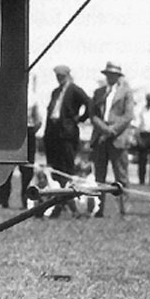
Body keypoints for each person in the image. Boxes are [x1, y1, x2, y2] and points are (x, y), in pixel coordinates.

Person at [43, 65, 90, 217]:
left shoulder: (75, 90)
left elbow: (89, 103)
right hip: (54, 133)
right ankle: (62, 202)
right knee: (56, 169)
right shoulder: (55, 92)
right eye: (57, 76)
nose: (59, 78)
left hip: (67, 133)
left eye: (62, 76)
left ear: (68, 75)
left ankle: (66, 204)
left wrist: (79, 119)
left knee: (67, 169)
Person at [90, 61, 135, 217]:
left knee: (121, 176)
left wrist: (113, 130)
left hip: (118, 138)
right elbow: (93, 115)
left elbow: (128, 115)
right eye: (108, 74)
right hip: (100, 138)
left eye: (114, 75)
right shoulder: (98, 92)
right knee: (99, 176)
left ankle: (125, 210)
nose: (111, 77)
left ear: (118, 76)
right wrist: (103, 128)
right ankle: (98, 209)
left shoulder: (126, 92)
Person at [0, 97, 42, 208]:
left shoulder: (33, 97)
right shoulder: (9, 95)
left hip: (28, 132)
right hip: (10, 132)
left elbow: (39, 120)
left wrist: (30, 133)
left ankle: (26, 201)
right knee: (5, 168)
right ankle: (2, 201)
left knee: (27, 171)